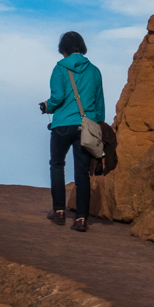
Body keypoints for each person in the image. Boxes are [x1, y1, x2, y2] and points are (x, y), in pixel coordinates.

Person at [38, 31, 104, 232]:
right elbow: (99, 104)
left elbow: (57, 98)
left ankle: (59, 211)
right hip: (86, 126)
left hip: (63, 125)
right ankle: (81, 218)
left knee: (57, 165)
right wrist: (98, 126)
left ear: (63, 49)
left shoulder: (60, 68)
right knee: (82, 172)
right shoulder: (94, 71)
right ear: (82, 46)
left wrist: (47, 106)